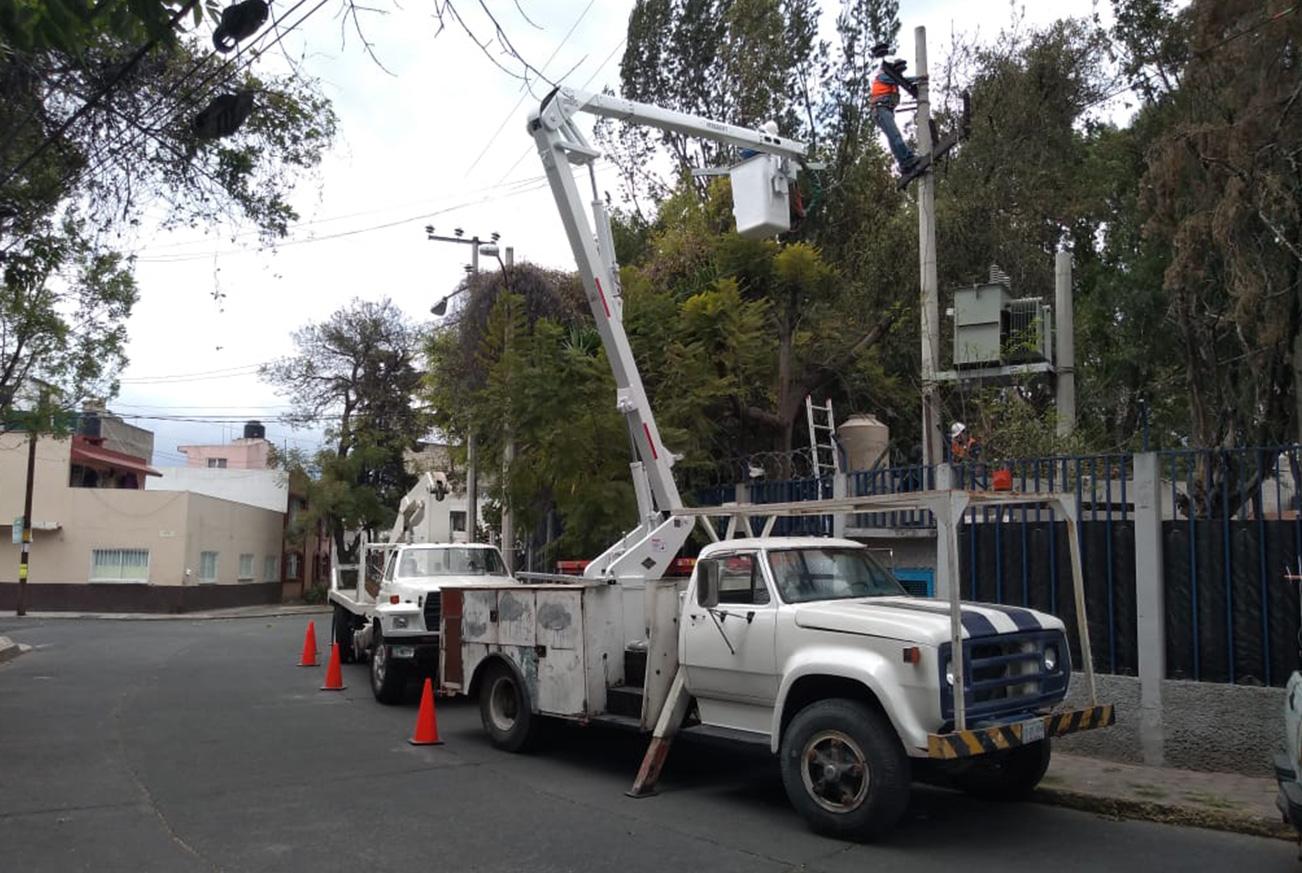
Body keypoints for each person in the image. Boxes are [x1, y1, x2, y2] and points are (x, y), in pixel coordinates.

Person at [870, 55, 923, 174]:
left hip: (885, 110)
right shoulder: (882, 76)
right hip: (881, 109)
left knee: (892, 138)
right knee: (895, 135)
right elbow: (900, 80)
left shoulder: (890, 81)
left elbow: (899, 82)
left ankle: (904, 163)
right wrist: (919, 78)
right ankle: (908, 159)